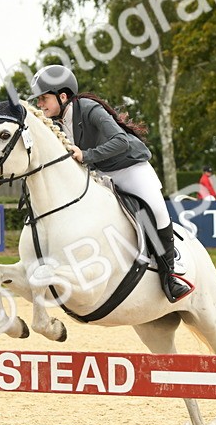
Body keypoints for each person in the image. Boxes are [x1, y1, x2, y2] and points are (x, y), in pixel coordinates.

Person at [28, 64, 192, 303]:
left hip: (131, 168)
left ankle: (170, 276)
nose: (40, 105)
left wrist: (86, 156)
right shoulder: (56, 123)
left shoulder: (89, 108)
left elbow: (121, 141)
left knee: (156, 211)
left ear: (62, 96)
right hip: (103, 175)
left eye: (43, 99)